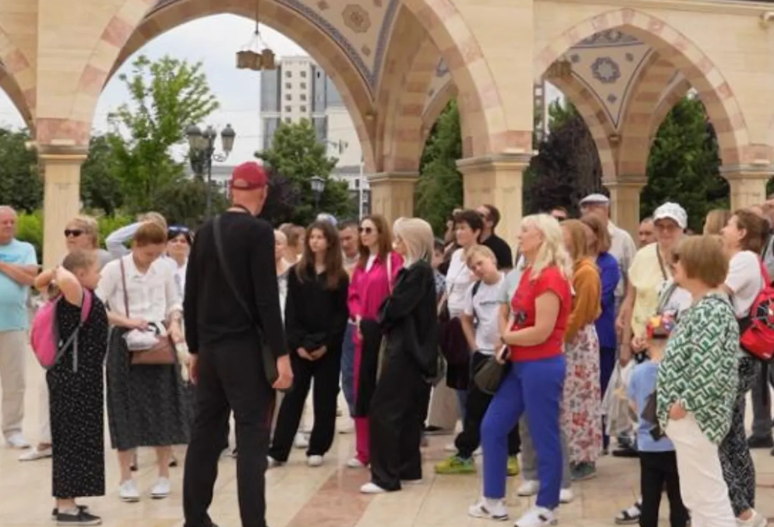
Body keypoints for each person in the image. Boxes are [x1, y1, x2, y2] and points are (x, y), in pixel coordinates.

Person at [182, 162, 292, 527]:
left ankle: (196, 518)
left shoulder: (205, 231)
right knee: (250, 440)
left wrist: (195, 350)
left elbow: (191, 295)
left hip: (210, 352)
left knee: (204, 436)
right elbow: (265, 300)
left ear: (232, 189)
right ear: (261, 193)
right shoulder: (258, 232)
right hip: (244, 351)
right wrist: (281, 355)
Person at [470, 214, 572, 527]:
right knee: (491, 426)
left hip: (542, 365)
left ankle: (546, 507)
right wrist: (509, 337)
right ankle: (493, 499)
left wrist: (507, 337)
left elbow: (542, 331)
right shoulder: (527, 273)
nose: (518, 234)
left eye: (525, 229)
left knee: (544, 436)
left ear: (542, 237)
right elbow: (515, 313)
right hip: (519, 363)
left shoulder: (551, 277)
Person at [97, 221, 189, 502]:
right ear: (136, 246)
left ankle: (163, 474)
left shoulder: (164, 267)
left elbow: (174, 302)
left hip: (159, 339)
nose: (153, 258)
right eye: (148, 253)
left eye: (157, 253)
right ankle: (126, 477)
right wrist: (126, 321)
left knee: (163, 404)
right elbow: (97, 304)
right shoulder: (116, 269)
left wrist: (174, 322)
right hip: (125, 342)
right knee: (123, 406)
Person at [656, 235, 739, 527]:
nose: (674, 265)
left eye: (680, 260)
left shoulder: (711, 310)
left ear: (696, 265)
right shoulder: (702, 306)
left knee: (707, 498)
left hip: (696, 417)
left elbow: (709, 368)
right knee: (697, 497)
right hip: (690, 418)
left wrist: (684, 404)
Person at [360, 217, 438, 493]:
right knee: (406, 412)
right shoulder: (417, 271)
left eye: (400, 238)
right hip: (412, 350)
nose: (395, 243)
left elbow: (394, 309)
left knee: (385, 410)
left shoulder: (416, 272)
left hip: (405, 350)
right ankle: (407, 468)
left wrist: (379, 316)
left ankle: (385, 477)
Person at [36, 251, 108, 526]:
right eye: (95, 270)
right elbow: (60, 280)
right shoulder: (74, 294)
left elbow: (39, 280)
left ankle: (69, 501)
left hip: (80, 379)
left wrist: (57, 270)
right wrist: (64, 271)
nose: (100, 274)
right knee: (71, 441)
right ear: (80, 275)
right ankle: (65, 507)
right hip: (73, 380)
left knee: (80, 440)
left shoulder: (70, 293)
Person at [268, 221, 349, 468]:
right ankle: (278, 450)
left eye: (320, 237)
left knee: (325, 398)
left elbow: (340, 315)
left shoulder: (340, 276)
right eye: (312, 237)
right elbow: (291, 311)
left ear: (330, 242)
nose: (315, 241)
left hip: (328, 346)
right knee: (293, 398)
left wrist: (326, 344)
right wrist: (298, 343)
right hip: (300, 345)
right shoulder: (297, 272)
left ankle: (318, 447)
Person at [435, 245, 518, 475]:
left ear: (492, 258)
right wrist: (474, 346)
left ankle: (511, 454)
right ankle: (464, 454)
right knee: (475, 406)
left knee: (508, 405)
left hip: (508, 354)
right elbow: (466, 319)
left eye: (480, 263)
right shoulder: (474, 289)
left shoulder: (510, 284)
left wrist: (509, 341)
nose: (478, 269)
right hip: (483, 355)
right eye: (473, 267)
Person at [717, 209, 768, 527]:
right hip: (741, 355)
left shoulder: (744, 260)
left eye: (729, 225)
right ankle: (743, 505)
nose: (723, 230)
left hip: (738, 356)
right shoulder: (742, 261)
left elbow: (718, 295)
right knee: (733, 436)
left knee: (721, 435)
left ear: (742, 233)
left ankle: (741, 509)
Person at [347, 214, 402, 468]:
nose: (364, 234)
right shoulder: (361, 263)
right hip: (363, 332)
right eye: (361, 229)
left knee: (382, 389)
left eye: (369, 229)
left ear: (381, 232)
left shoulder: (392, 261)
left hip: (384, 333)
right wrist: (358, 315)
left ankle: (381, 447)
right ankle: (363, 450)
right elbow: (353, 295)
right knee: (362, 389)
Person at [627, 328, 688, 527]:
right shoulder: (680, 370)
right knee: (678, 499)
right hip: (675, 445)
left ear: (647, 342)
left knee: (650, 498)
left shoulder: (638, 372)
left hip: (648, 445)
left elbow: (633, 405)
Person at [561, 220, 602, 481]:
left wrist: (559, 335)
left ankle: (583, 457)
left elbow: (582, 312)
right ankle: (569, 453)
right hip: (567, 341)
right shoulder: (567, 268)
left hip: (578, 342)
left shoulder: (586, 271)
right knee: (567, 400)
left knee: (581, 400)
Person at [580, 213, 620, 452]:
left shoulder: (608, 263)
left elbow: (601, 297)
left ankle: (601, 439)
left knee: (601, 387)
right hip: (578, 335)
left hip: (601, 332)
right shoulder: (573, 260)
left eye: (589, 230)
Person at [0, 205, 37, 449]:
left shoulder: (25, 249)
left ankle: (13, 430)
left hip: (13, 324)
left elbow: (31, 277)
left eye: (12, 222)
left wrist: (2, 265)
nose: (9, 226)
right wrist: (16, 270)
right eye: (4, 222)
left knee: (14, 380)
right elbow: (22, 273)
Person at [477, 204, 513, 270]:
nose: (475, 218)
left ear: (490, 223)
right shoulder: (469, 242)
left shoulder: (501, 247)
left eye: (481, 216)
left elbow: (507, 273)